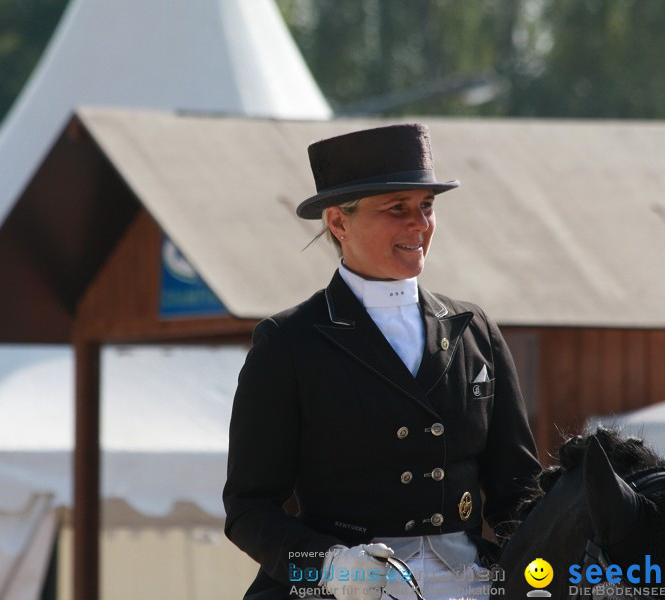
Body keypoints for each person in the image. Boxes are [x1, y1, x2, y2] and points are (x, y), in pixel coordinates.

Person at [223, 123, 541, 600]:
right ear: (339, 222)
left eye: (427, 207)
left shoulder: (475, 329)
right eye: (397, 208)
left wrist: (537, 569)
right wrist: (329, 567)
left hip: (472, 582)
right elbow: (249, 509)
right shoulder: (288, 344)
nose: (420, 224)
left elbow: (518, 491)